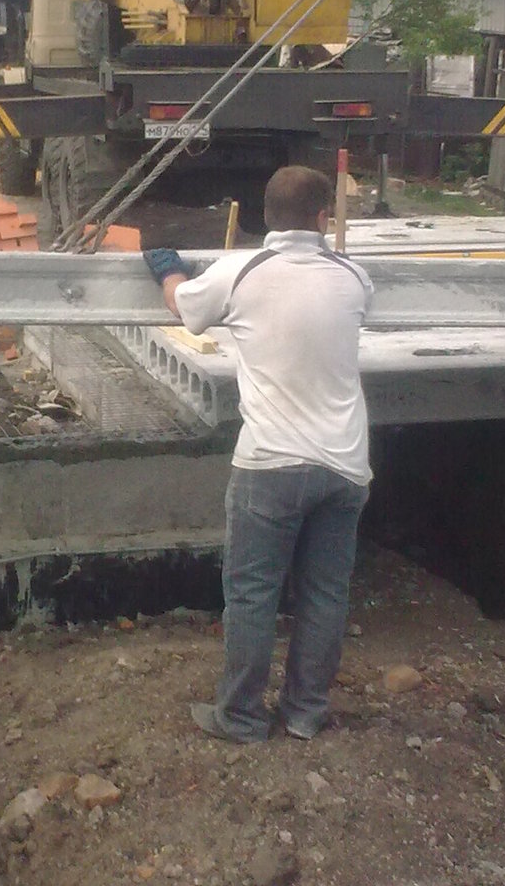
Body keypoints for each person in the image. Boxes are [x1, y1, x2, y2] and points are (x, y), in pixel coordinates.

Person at [144, 165, 373, 742]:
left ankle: (242, 717)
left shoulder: (241, 271)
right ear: (324, 219)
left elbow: (185, 307)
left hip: (271, 466)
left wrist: (168, 269)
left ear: (262, 217)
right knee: (324, 594)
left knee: (252, 594)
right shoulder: (353, 278)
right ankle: (304, 713)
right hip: (345, 467)